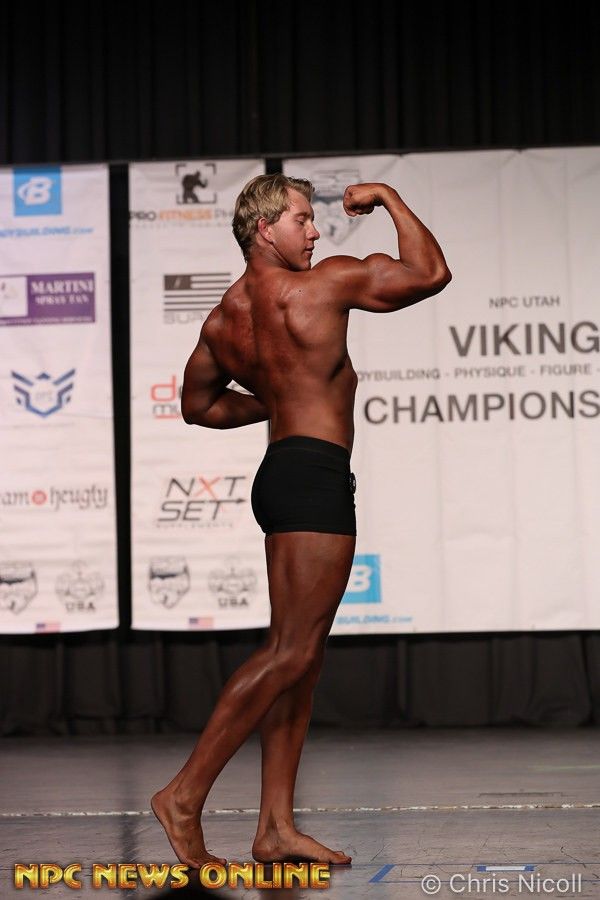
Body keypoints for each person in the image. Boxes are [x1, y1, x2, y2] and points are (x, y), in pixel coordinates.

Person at [151, 174, 451, 868]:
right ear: (265, 229)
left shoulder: (224, 318)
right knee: (290, 652)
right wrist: (388, 197)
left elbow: (198, 406)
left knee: (301, 660)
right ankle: (184, 795)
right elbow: (430, 273)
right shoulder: (323, 286)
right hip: (313, 479)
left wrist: (281, 400)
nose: (315, 233)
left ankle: (275, 829)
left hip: (281, 475)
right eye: (301, 220)